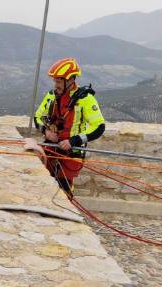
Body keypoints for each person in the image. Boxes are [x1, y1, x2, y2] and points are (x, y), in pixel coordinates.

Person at [34, 57, 106, 195]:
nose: (56, 85)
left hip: (72, 151)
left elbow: (99, 127)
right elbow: (37, 117)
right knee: (45, 183)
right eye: (55, 80)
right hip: (51, 147)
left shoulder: (85, 99)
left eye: (59, 81)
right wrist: (46, 132)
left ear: (71, 80)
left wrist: (74, 141)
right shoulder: (51, 96)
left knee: (64, 186)